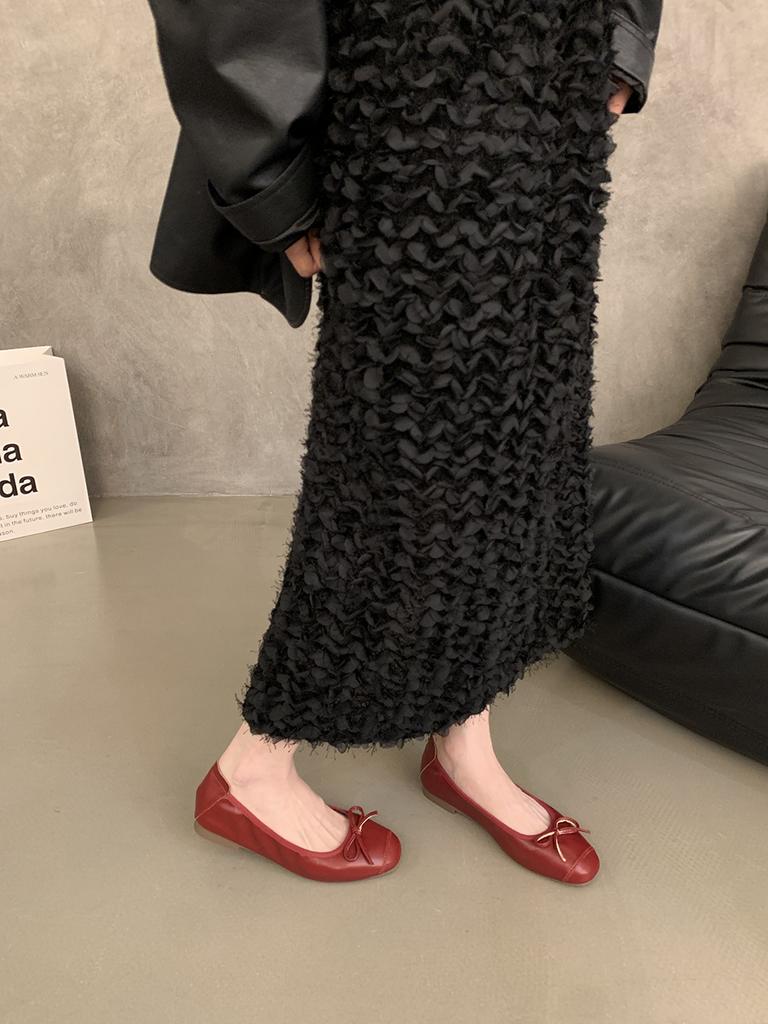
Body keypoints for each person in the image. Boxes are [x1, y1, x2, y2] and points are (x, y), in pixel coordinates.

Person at [146, 0, 664, 884]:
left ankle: (463, 739)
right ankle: (253, 767)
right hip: (413, 86)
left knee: (527, 431)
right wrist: (275, 179)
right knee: (404, 459)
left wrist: (618, 41)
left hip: (551, 87)